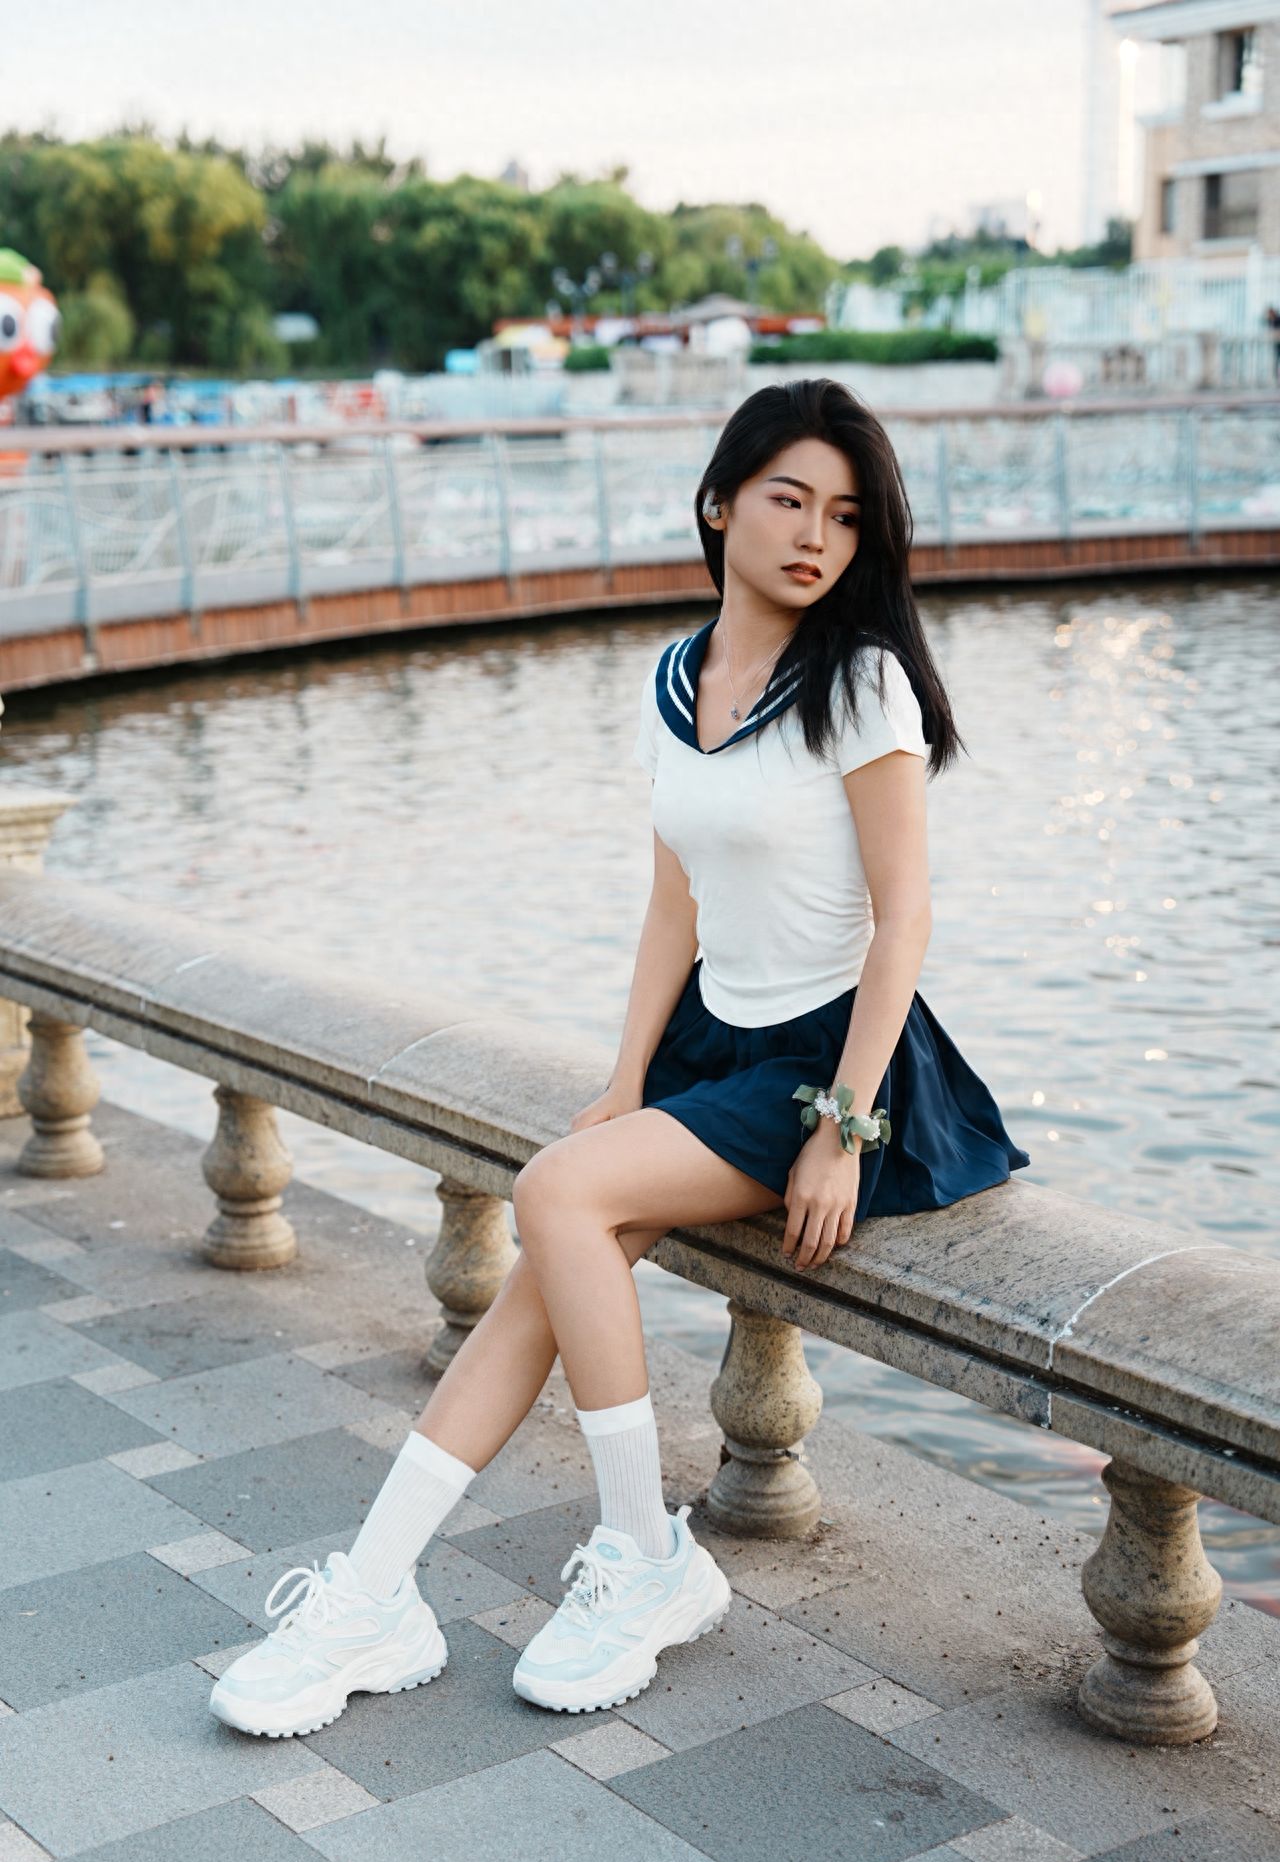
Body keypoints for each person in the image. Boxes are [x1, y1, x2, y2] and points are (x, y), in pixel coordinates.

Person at [208, 375, 1031, 1740]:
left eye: (842, 514)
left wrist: (842, 1124)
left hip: (827, 1060)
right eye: (787, 500)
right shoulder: (672, 682)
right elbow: (673, 905)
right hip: (717, 1045)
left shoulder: (860, 684)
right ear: (719, 505)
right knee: (550, 1259)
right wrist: (625, 1076)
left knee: (559, 1195)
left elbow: (908, 918)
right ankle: (373, 1591)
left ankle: (643, 1556)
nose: (814, 535)